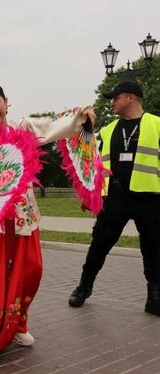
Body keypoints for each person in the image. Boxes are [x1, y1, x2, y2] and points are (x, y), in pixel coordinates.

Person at [0, 72, 95, 356]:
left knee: (30, 271)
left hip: (22, 214)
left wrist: (80, 114)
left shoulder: (23, 128)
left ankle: (17, 319)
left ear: (6, 102)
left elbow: (52, 124)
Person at [68, 80, 160, 316]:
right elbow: (92, 160)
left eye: (115, 97)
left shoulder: (157, 125)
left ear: (130, 98)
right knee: (99, 244)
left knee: (153, 249)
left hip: (149, 198)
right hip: (115, 198)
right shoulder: (107, 131)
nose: (112, 102)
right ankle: (83, 287)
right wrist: (90, 193)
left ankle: (154, 297)